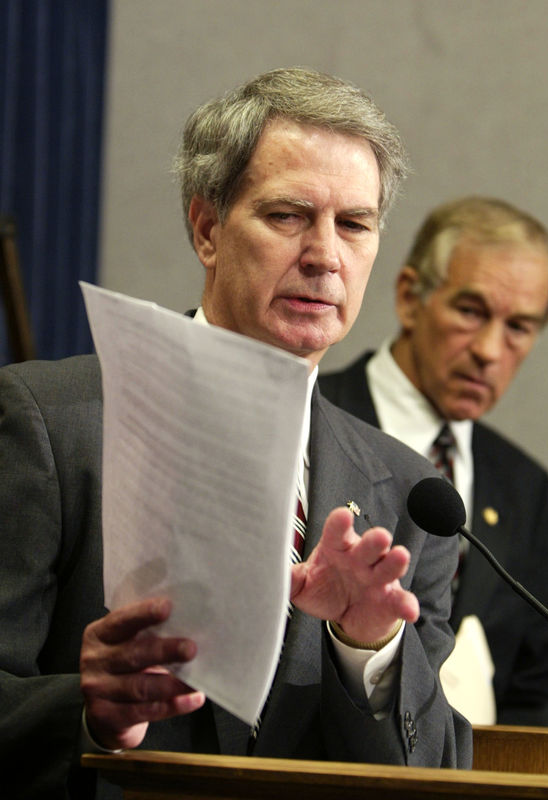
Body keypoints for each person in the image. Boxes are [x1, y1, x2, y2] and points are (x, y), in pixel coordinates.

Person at [0, 68, 472, 799]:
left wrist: (370, 652)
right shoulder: (48, 424)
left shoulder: (411, 496)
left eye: (353, 223)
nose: (324, 254)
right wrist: (84, 713)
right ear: (207, 228)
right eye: (288, 215)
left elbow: (432, 772)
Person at [319, 195, 548, 728]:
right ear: (410, 297)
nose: (489, 349)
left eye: (519, 327)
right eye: (470, 311)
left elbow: (543, 691)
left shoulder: (522, 486)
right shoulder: (312, 419)